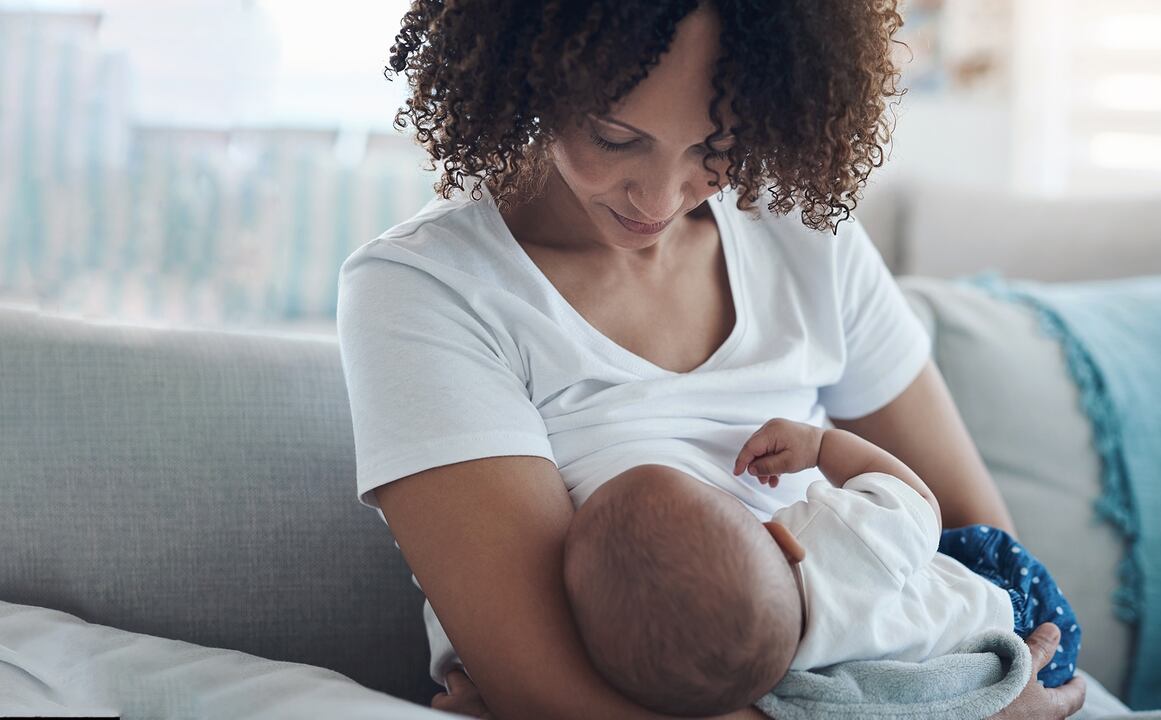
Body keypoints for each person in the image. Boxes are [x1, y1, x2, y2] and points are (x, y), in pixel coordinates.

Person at [335, 1, 1088, 718]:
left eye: (716, 148)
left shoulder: (801, 233)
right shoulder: (427, 288)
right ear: (528, 70)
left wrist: (971, 691)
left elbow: (986, 548)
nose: (659, 198)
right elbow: (549, 692)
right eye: (614, 136)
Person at [561, 418, 1082, 717]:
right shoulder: (834, 535)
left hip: (977, 677)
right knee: (956, 545)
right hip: (1013, 609)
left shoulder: (777, 686)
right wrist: (823, 446)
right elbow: (920, 503)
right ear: (781, 538)